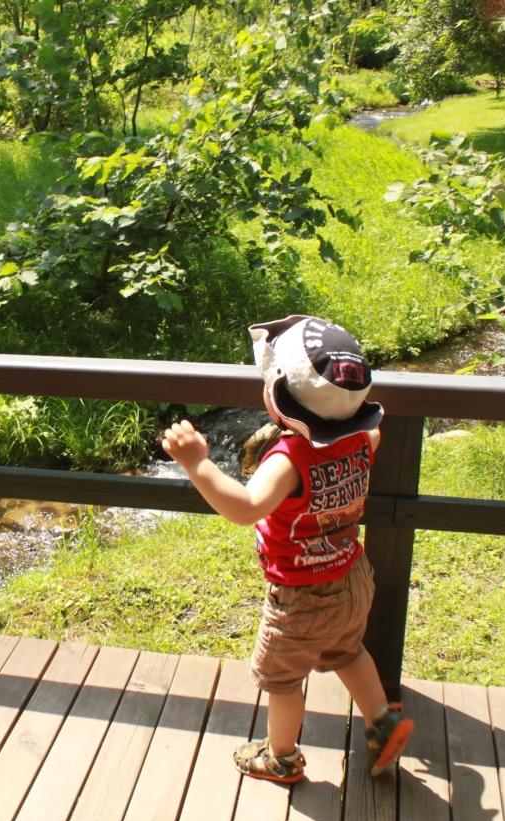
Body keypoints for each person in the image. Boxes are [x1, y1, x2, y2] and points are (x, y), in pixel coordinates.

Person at [162, 315, 413, 783]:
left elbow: (246, 507)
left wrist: (197, 464)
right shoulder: (364, 438)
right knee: (348, 651)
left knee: (281, 680)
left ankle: (280, 756)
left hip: (301, 595)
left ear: (280, 398)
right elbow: (369, 433)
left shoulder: (291, 458)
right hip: (352, 575)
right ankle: (383, 721)